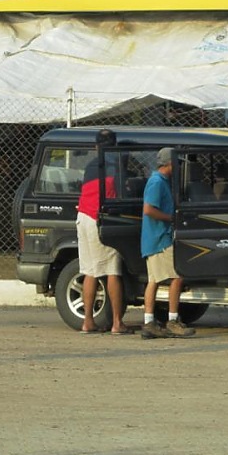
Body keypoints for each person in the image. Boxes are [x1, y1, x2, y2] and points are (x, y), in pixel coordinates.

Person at [76, 129, 132, 335]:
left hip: (83, 217)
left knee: (90, 271)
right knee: (112, 270)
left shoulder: (91, 165)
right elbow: (121, 194)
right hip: (101, 218)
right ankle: (118, 323)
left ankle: (88, 321)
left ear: (95, 146)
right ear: (114, 145)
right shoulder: (116, 164)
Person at [141, 147, 195, 339]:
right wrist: (171, 218)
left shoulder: (162, 181)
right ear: (169, 163)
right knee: (177, 275)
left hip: (156, 238)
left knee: (154, 279)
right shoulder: (156, 182)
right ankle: (172, 321)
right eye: (177, 163)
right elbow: (149, 209)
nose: (179, 166)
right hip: (160, 238)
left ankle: (149, 322)